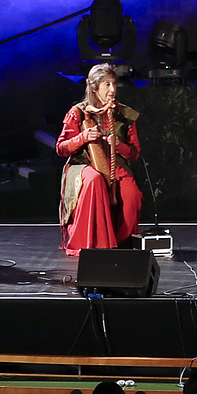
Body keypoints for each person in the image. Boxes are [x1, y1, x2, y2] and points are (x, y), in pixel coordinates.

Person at [57, 63, 145, 252]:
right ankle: (91, 244)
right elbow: (61, 148)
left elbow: (135, 153)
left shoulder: (124, 115)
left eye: (114, 84)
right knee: (94, 181)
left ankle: (120, 242)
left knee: (132, 195)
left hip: (116, 166)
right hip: (82, 165)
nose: (112, 89)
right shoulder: (79, 113)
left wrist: (118, 145)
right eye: (107, 85)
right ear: (95, 88)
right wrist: (83, 137)